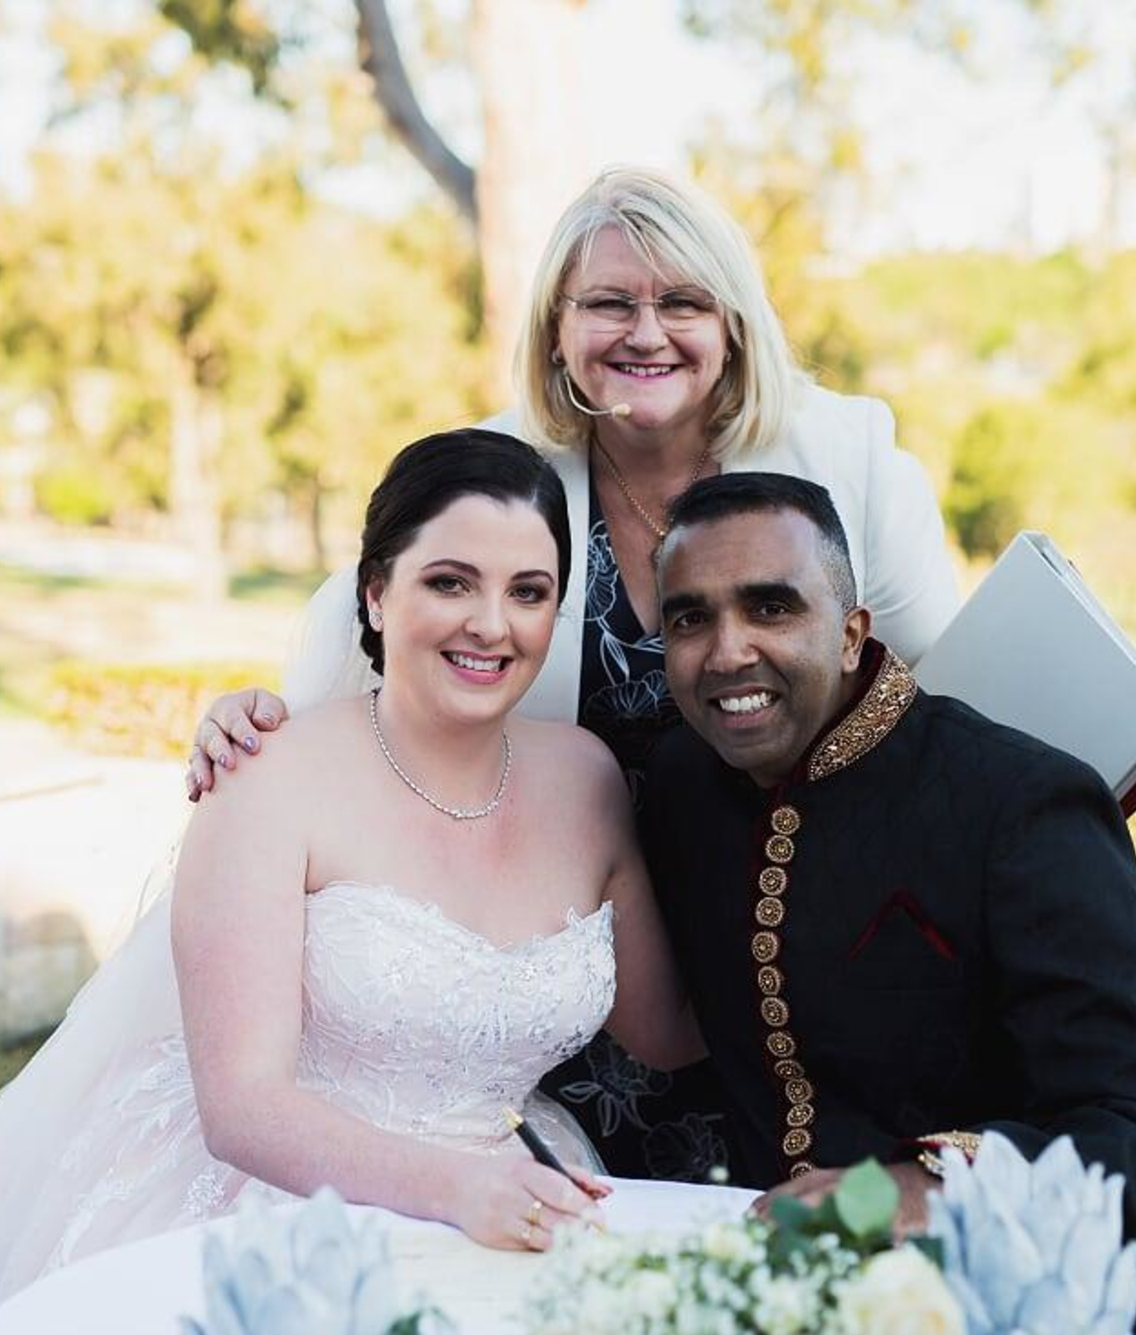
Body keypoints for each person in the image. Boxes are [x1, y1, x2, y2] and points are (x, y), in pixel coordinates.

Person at [186, 165, 961, 1180]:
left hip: (782, 955)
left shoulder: (846, 456)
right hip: (553, 977)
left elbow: (956, 701)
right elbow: (363, 655)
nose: (645, 333)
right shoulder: (495, 470)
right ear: (556, 329)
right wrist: (248, 717)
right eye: (607, 303)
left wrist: (1061, 913)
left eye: (680, 301)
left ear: (730, 322)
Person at [0, 430, 702, 1334]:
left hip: (521, 1198)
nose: (491, 624)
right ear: (376, 594)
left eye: (527, 592)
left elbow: (673, 1033)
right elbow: (243, 1106)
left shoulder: (586, 777)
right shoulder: (267, 772)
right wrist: (460, 1187)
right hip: (276, 1205)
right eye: (450, 582)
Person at [643, 472, 1136, 1333]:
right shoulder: (681, 785)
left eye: (771, 608)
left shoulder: (1022, 800)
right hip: (781, 1293)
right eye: (691, 617)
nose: (727, 652)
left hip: (1026, 1294)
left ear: (850, 634)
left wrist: (909, 1187)